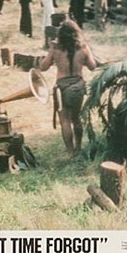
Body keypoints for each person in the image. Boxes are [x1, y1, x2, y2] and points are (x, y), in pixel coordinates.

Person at [40, 20, 97, 157]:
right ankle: (78, 147)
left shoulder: (55, 48)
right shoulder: (83, 47)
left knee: (64, 119)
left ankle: (70, 151)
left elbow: (43, 67)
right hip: (78, 85)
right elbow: (93, 66)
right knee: (76, 118)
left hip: (62, 87)